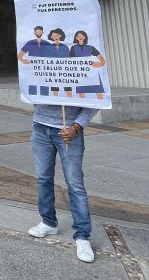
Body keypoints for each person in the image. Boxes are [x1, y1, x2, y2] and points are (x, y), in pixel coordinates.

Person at [27, 102, 99, 263]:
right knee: (43, 178)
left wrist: (77, 126)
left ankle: (82, 235)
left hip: (69, 129)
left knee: (75, 184)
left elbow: (95, 99)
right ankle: (48, 222)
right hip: (40, 126)